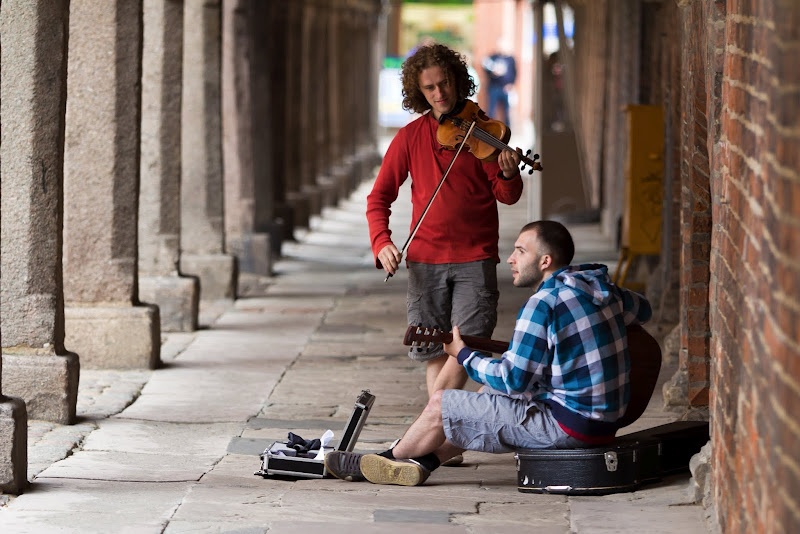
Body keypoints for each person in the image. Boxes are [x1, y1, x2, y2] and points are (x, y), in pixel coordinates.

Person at [325, 220, 653, 486]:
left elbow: (514, 380)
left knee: (443, 403)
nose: (510, 258)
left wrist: (464, 355)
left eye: (520, 251)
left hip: (569, 428)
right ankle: (424, 461)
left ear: (545, 261)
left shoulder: (543, 304)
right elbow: (645, 310)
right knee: (488, 393)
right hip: (604, 421)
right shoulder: (603, 290)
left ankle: (383, 460)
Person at [367, 43, 524, 399]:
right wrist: (382, 242)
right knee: (432, 348)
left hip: (476, 256)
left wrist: (510, 174)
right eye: (430, 87)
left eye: (445, 84)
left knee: (467, 344)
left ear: (457, 80)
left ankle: (428, 431)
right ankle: (440, 444)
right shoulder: (409, 138)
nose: (440, 93)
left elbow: (507, 196)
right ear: (419, 92)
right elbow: (378, 197)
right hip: (425, 259)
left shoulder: (483, 135)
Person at [481, 39, 517, 126]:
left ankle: (507, 130)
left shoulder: (511, 59)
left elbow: (514, 73)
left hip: (506, 88)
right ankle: (489, 128)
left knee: (506, 111)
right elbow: (486, 68)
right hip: (494, 87)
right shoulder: (493, 57)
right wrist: (492, 73)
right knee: (491, 110)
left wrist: (511, 84)